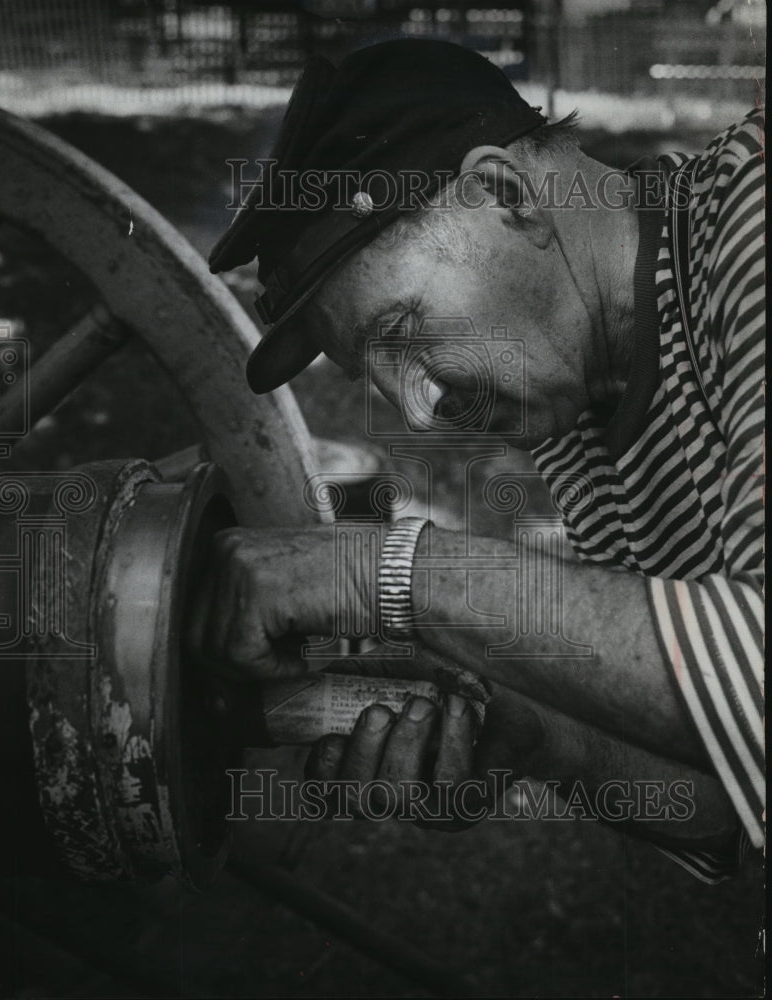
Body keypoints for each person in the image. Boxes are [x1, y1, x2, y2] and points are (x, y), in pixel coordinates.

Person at [191, 39, 764, 882]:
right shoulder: (587, 401)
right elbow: (725, 801)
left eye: (402, 330)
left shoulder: (753, 222)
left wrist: (383, 573)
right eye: (375, 372)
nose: (419, 411)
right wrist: (534, 739)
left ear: (505, 194)